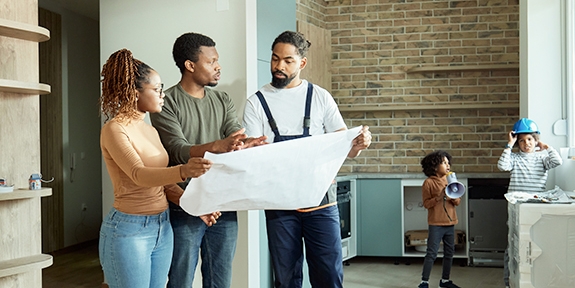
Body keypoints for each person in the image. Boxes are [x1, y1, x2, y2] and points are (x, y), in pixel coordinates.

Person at [242, 30, 372, 288]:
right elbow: (253, 157)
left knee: (329, 276)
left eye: (288, 60)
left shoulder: (320, 97)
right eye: (275, 59)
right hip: (279, 204)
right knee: (286, 278)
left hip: (321, 202)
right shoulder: (256, 103)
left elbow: (344, 148)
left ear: (301, 63)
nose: (279, 66)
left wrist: (358, 145)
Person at [150, 32, 266, 287]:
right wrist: (218, 146)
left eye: (218, 60)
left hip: (222, 201)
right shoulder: (165, 102)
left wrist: (247, 144)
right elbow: (177, 149)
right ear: (190, 65)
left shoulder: (222, 99)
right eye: (211, 61)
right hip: (185, 204)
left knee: (220, 281)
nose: (218, 66)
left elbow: (233, 136)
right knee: (180, 280)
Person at [98, 49, 215, 288]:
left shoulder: (150, 130)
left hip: (162, 226)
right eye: (157, 89)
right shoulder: (114, 129)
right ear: (134, 93)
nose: (162, 95)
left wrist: (194, 207)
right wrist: (184, 170)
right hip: (129, 230)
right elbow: (139, 175)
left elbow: (163, 182)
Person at [497, 117, 562, 288]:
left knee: (534, 243)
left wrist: (546, 147)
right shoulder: (515, 158)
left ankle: (532, 280)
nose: (526, 143)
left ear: (536, 140)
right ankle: (509, 282)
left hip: (535, 206)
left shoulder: (542, 158)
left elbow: (558, 161)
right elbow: (503, 166)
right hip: (517, 205)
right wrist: (509, 145)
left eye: (530, 139)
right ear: (517, 143)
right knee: (513, 243)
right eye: (522, 141)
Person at [418, 150, 461, 288]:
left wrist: (452, 195)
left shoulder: (450, 180)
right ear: (434, 166)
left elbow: (457, 201)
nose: (448, 165)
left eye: (448, 162)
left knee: (449, 253)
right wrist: (440, 196)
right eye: (444, 163)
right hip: (436, 223)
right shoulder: (428, 183)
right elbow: (427, 204)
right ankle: (424, 282)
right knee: (432, 253)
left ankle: (445, 281)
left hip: (450, 223)